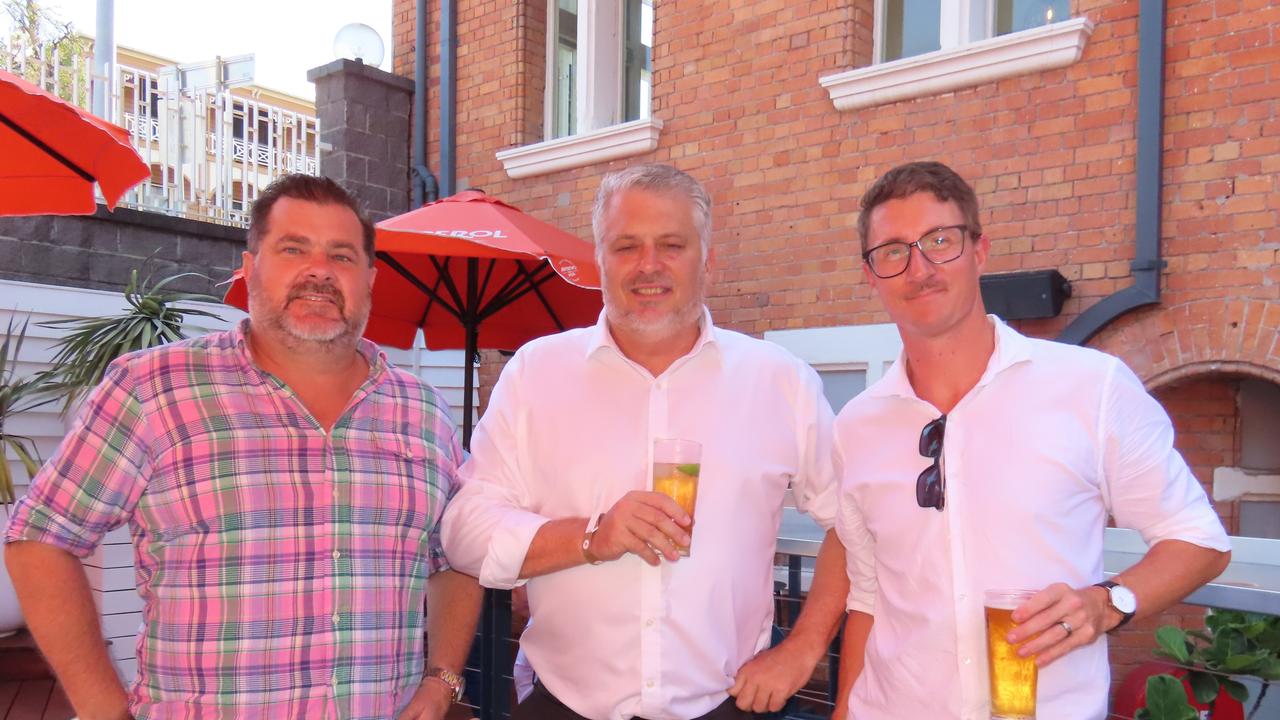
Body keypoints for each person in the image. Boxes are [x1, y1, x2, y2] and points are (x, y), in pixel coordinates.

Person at [5, 174, 483, 720]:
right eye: (293, 248)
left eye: (342, 256)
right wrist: (100, 707)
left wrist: (441, 678)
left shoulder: (421, 411)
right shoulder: (155, 389)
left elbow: (458, 556)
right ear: (251, 265)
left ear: (369, 279)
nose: (320, 271)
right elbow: (40, 539)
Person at [440, 163, 848, 720]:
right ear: (600, 258)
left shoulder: (778, 379)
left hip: (728, 705)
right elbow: (465, 532)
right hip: (565, 706)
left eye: (671, 245)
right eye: (626, 245)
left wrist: (803, 650)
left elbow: (854, 521)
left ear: (708, 258)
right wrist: (591, 536)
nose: (648, 266)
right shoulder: (538, 372)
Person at [832, 160, 1232, 719]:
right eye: (893, 251)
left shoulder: (1090, 387)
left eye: (939, 240)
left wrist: (1107, 603)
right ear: (871, 274)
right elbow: (869, 595)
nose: (918, 267)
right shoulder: (856, 425)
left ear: (980, 250)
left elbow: (1200, 541)